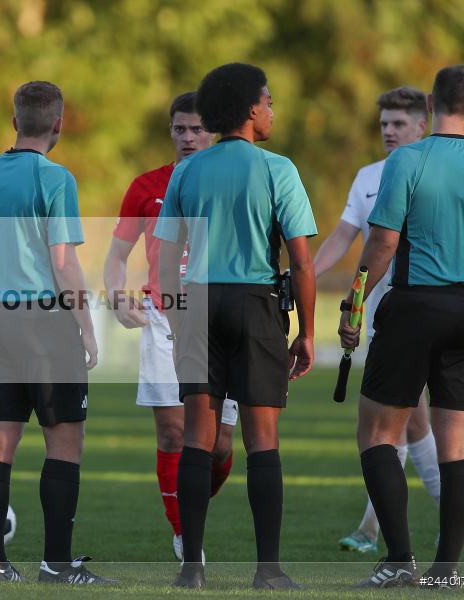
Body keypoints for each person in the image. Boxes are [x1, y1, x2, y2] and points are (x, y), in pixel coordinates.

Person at [155, 63, 317, 590]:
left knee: (198, 439)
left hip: (199, 302)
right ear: (250, 109)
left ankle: (192, 569)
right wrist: (307, 333)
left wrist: (178, 318)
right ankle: (267, 569)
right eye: (268, 101)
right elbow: (302, 261)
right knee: (261, 440)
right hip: (256, 303)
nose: (272, 110)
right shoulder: (277, 168)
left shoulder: (188, 170)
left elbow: (167, 257)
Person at [339, 65, 464, 588]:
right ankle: (446, 571)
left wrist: (353, 306)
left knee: (377, 433)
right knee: (458, 446)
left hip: (413, 306)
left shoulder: (407, 159)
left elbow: (381, 244)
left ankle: (398, 560)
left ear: (430, 106)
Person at [0, 80, 113, 585]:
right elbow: (62, 262)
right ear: (58, 124)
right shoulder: (56, 178)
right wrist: (87, 327)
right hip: (46, 323)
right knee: (64, 442)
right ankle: (56, 563)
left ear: (13, 123)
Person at [103, 91, 235, 562]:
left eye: (197, 129)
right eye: (179, 129)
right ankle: (187, 540)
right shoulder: (146, 186)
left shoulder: (233, 181)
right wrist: (117, 296)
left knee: (219, 445)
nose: (187, 137)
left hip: (222, 318)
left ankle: (190, 503)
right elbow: (117, 257)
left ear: (214, 132)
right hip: (163, 316)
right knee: (174, 435)